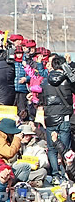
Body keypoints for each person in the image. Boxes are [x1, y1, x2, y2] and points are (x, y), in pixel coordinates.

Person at [40, 55, 75, 184]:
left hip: (50, 117)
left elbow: (42, 97)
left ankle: (55, 175)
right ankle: (66, 173)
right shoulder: (67, 80)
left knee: (51, 148)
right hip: (65, 116)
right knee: (65, 147)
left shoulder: (45, 81)